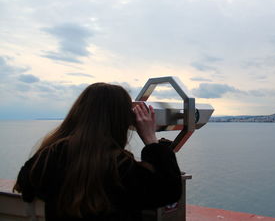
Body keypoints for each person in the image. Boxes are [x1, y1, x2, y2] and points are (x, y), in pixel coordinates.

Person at [13, 82, 182, 221]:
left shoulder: (51, 154)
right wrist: (151, 140)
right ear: (121, 120)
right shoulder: (121, 167)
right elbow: (169, 191)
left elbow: (25, 183)